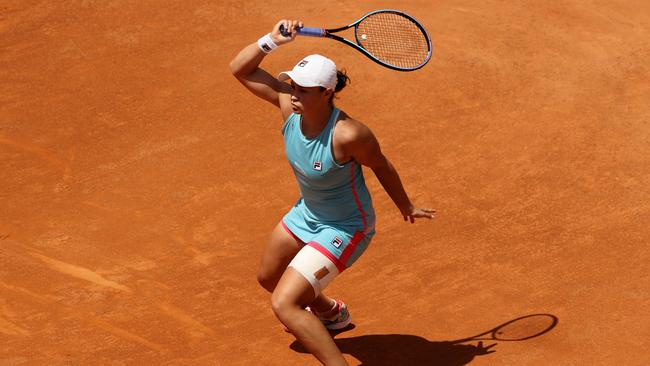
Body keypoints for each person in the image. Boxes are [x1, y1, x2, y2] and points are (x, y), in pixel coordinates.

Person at [229, 19, 435, 366]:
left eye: (304, 89)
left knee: (285, 304)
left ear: (326, 93)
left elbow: (381, 166)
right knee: (268, 277)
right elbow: (240, 69)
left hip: (345, 228)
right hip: (307, 213)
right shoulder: (287, 106)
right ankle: (332, 312)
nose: (294, 92)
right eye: (293, 84)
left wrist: (406, 205)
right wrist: (272, 40)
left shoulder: (349, 135)